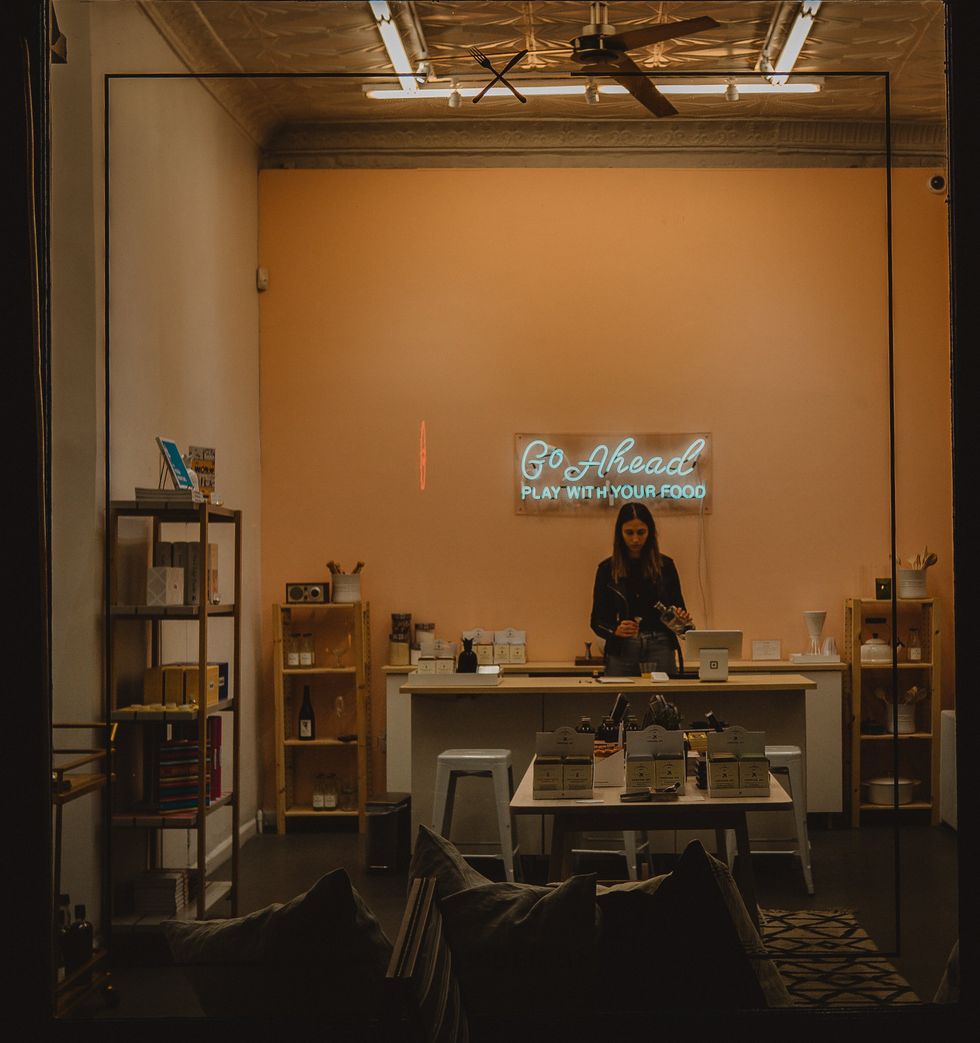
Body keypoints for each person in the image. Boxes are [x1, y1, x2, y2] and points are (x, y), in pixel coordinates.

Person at [590, 502, 693, 677]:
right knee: (622, 699)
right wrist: (615, 629)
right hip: (623, 646)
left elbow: (680, 613)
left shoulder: (666, 566)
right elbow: (597, 620)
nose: (635, 539)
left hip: (660, 643)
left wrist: (681, 619)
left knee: (663, 700)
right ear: (620, 534)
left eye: (641, 532)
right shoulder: (607, 569)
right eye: (629, 533)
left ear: (650, 532)